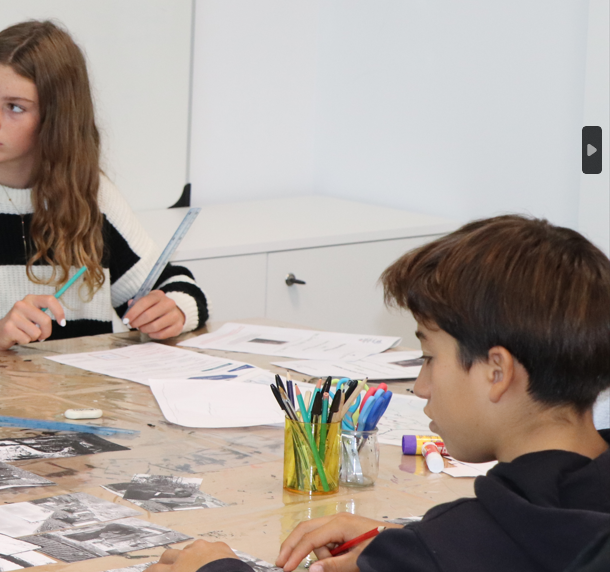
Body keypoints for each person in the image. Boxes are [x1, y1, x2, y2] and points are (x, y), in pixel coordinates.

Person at [148, 215, 610, 572]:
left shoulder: (460, 548)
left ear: (496, 372)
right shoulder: (562, 522)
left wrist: (215, 568)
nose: (421, 387)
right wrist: (410, 542)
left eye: (428, 357)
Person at [0, 20, 208, 356]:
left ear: (56, 119)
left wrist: (174, 311)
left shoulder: (89, 194)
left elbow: (174, 285)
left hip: (78, 390)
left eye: (14, 107)